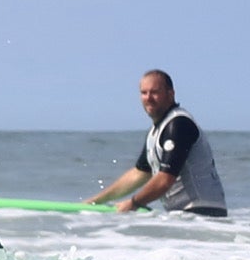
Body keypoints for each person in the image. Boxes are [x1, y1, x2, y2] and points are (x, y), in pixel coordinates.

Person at [90, 70, 228, 216]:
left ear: (170, 94)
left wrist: (133, 203)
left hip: (204, 214)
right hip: (184, 216)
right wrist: (95, 201)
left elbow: (164, 180)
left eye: (154, 92)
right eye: (144, 93)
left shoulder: (178, 125)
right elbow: (139, 174)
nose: (148, 98)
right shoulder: (156, 131)